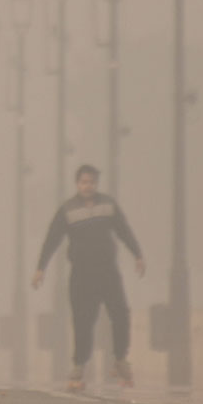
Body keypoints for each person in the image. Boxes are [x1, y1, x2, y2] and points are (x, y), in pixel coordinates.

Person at [33, 163, 145, 389]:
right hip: (81, 274)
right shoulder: (68, 210)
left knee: (120, 313)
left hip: (107, 271)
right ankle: (79, 366)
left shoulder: (107, 205)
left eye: (91, 182)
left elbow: (123, 230)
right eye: (84, 182)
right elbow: (52, 238)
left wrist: (137, 254)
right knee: (83, 320)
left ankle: (120, 359)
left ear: (96, 184)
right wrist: (40, 268)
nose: (88, 186)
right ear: (77, 184)